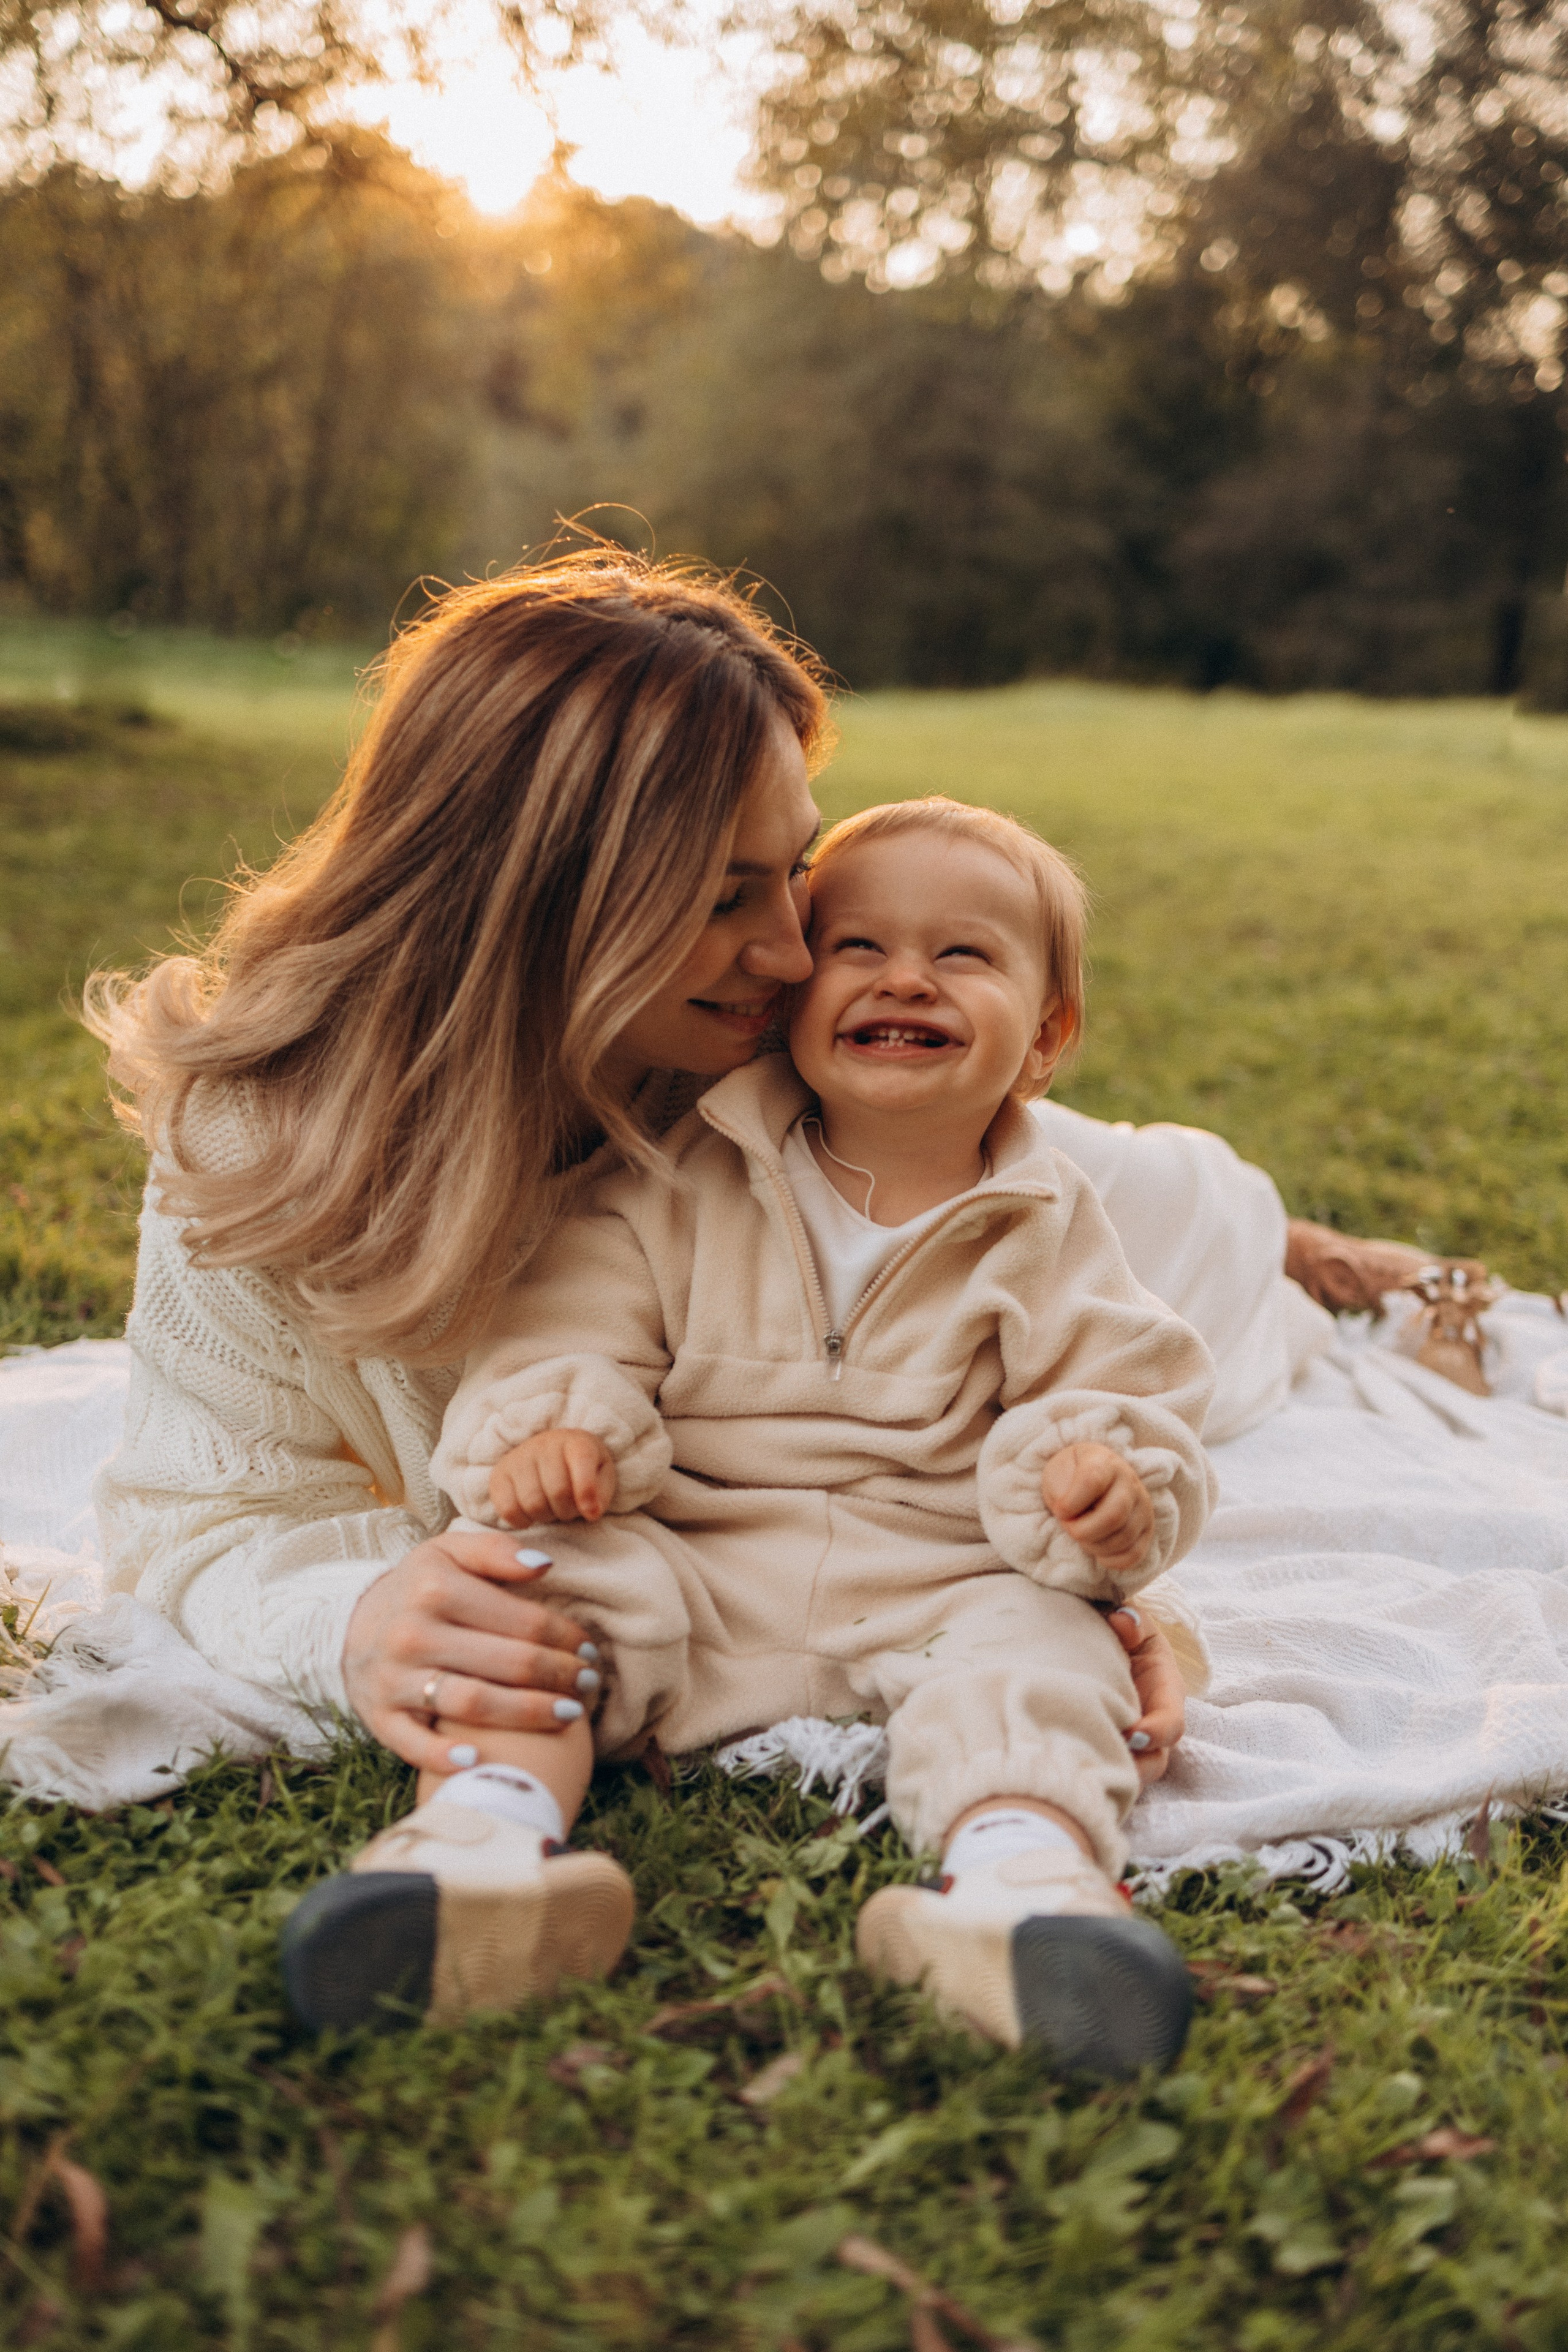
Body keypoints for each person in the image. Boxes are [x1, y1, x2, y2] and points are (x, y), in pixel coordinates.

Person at [282, 799, 1217, 2075]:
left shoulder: (1049, 1224)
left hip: (935, 1573)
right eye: (858, 947)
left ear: (1044, 1036)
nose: (905, 978)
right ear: (790, 993)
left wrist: (1102, 1480)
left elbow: (1121, 1384)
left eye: (962, 956)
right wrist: (561, 1423)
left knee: (1039, 1656)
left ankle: (1021, 1890)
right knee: (537, 1595)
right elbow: (573, 1316)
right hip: (691, 1552)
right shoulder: (680, 1170)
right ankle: (480, 1848)